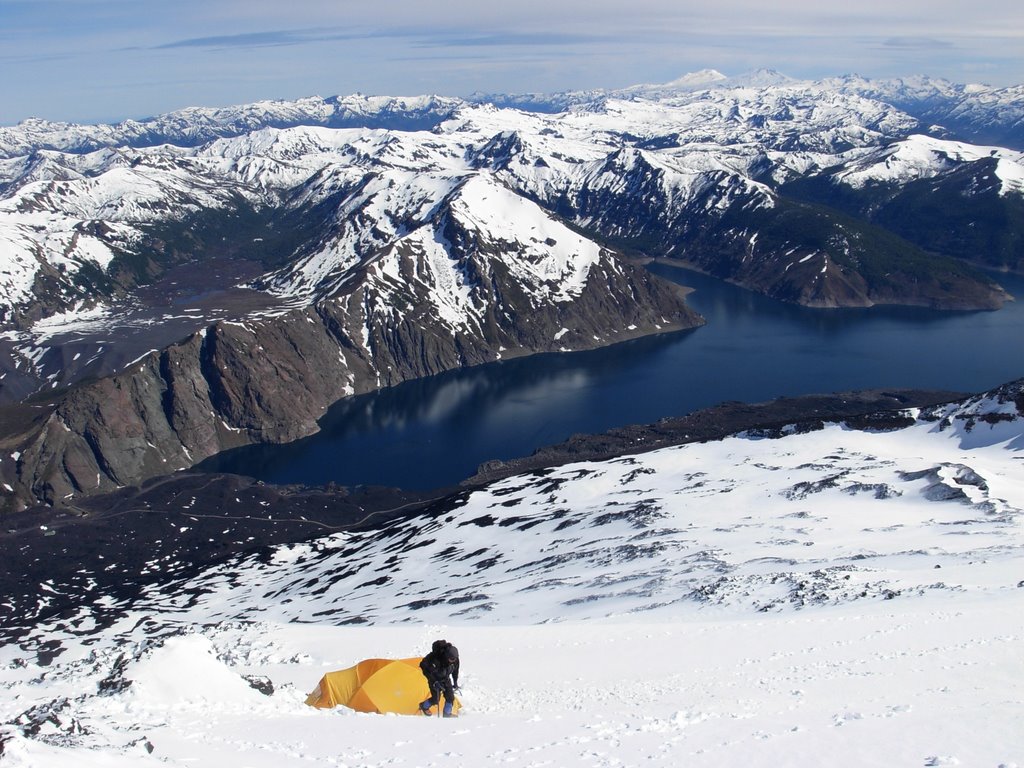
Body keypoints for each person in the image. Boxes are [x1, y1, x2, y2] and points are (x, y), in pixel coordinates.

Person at [419, 639, 460, 717]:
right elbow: (424, 668)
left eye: (454, 659)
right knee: (436, 700)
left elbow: (455, 671)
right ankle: (423, 706)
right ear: (446, 656)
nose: (453, 661)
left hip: (445, 678)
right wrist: (434, 681)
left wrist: (455, 682)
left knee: (450, 698)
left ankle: (447, 714)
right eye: (451, 659)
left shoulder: (455, 659)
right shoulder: (435, 658)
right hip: (434, 679)